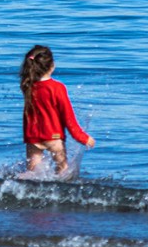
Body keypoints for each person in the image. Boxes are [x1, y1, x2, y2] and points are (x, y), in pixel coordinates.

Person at [20, 45, 95, 178]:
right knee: (64, 172)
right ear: (52, 66)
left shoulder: (27, 86)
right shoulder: (57, 88)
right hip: (53, 138)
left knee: (31, 175)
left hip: (32, 137)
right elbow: (68, 117)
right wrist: (82, 137)